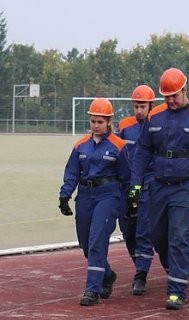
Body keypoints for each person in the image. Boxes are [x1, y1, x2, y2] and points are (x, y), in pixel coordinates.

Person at [131, 67, 189, 310]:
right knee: (158, 236)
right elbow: (142, 151)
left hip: (188, 186)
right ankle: (179, 268)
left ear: (185, 90)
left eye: (175, 96)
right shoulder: (154, 117)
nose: (171, 101)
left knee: (180, 236)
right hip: (159, 185)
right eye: (166, 97)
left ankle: (176, 291)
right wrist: (136, 181)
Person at [58, 97, 131, 306]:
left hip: (108, 196)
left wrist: (127, 204)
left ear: (109, 121)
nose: (96, 125)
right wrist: (65, 195)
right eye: (93, 121)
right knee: (85, 243)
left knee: (98, 240)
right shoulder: (81, 146)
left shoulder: (119, 146)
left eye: (100, 121)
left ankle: (93, 290)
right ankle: (107, 274)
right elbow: (72, 172)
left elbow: (126, 177)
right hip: (85, 196)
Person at [117, 84, 157, 295]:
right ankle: (139, 263)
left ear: (151, 105)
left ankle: (141, 274)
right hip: (126, 185)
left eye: (143, 106)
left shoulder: (157, 125)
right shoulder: (124, 126)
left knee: (143, 230)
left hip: (149, 185)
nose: (139, 110)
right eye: (136, 106)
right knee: (128, 231)